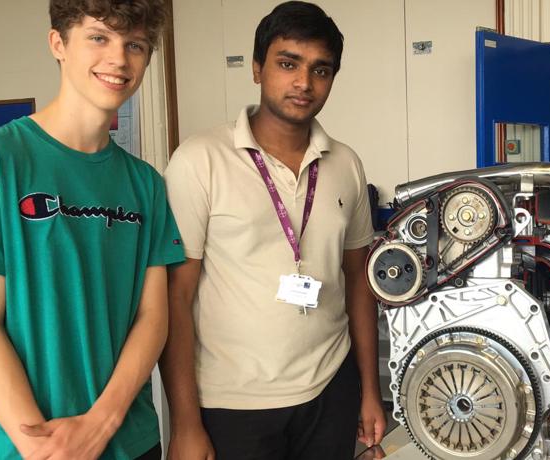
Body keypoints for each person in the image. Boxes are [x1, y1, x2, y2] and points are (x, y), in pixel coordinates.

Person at [0, 1, 183, 459]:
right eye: (99, 37)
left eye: (134, 44)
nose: (119, 59)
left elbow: (153, 318)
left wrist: (101, 425)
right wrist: (40, 445)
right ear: (58, 43)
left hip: (131, 441)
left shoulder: (146, 184)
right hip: (30, 447)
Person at [160, 2, 386, 459]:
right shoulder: (200, 160)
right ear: (258, 68)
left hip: (330, 389)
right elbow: (175, 299)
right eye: (288, 64)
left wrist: (368, 390)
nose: (304, 83)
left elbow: (359, 281)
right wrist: (185, 423)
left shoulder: (345, 163)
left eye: (320, 69)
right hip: (233, 402)